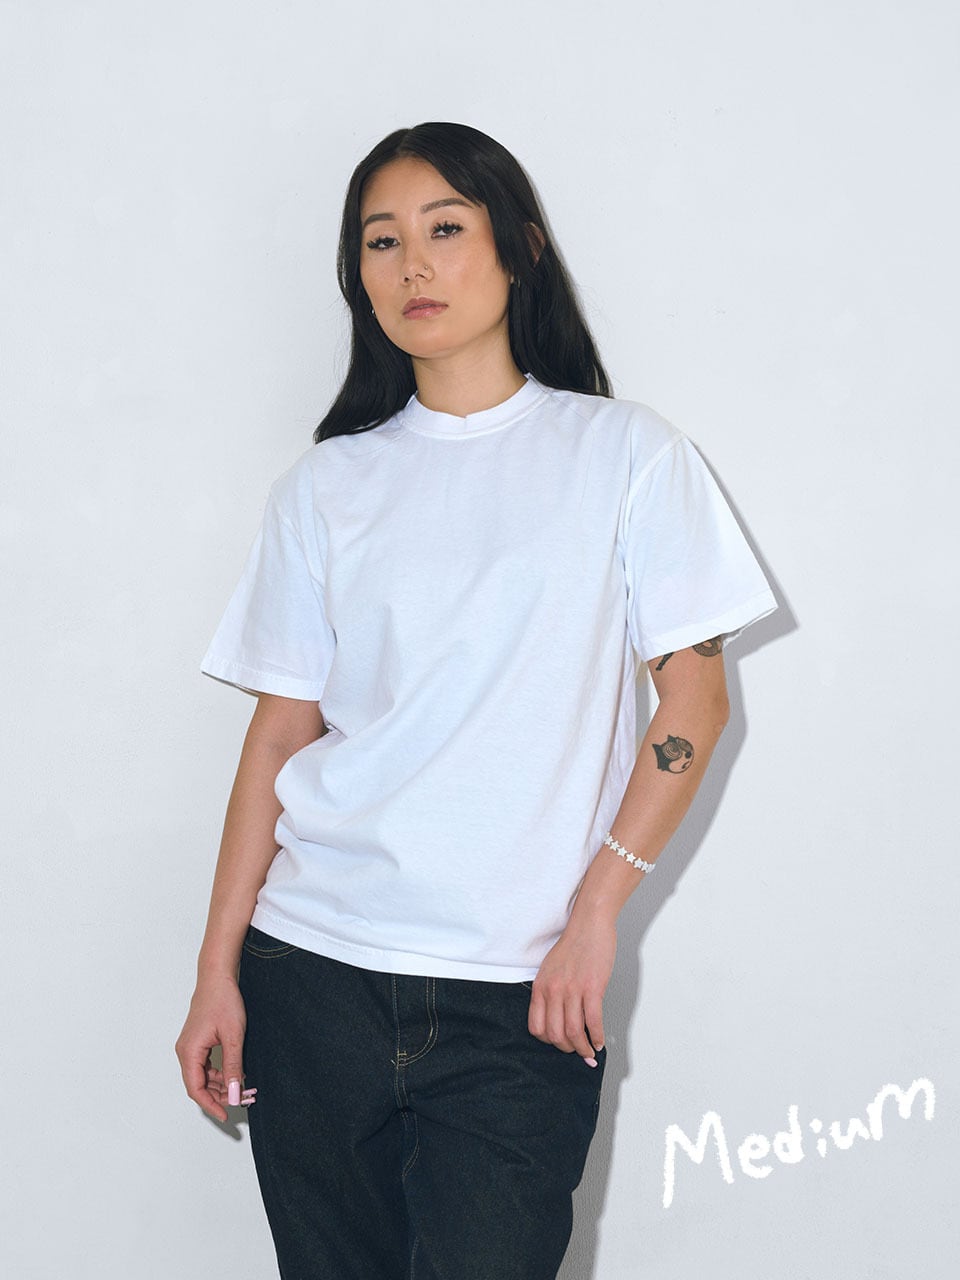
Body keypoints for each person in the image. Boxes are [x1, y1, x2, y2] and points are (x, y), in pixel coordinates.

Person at [175, 121, 776, 1279]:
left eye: (446, 228)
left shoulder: (627, 456)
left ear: (519, 249)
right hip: (312, 978)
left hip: (523, 996)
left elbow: (696, 701)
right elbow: (279, 737)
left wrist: (597, 910)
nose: (414, 263)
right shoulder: (327, 485)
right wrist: (217, 969)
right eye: (381, 240)